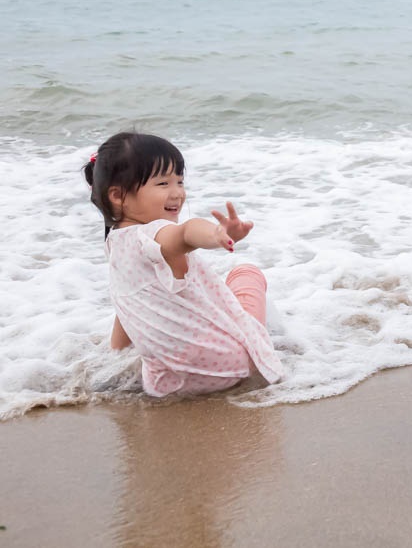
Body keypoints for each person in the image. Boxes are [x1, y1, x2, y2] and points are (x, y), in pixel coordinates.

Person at [84, 131, 284, 397]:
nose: (178, 192)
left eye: (179, 181)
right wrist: (215, 234)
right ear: (118, 196)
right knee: (245, 273)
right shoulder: (154, 234)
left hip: (169, 382)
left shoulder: (116, 244)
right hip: (228, 365)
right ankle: (263, 339)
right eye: (163, 183)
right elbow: (187, 231)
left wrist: (115, 357)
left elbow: (125, 305)